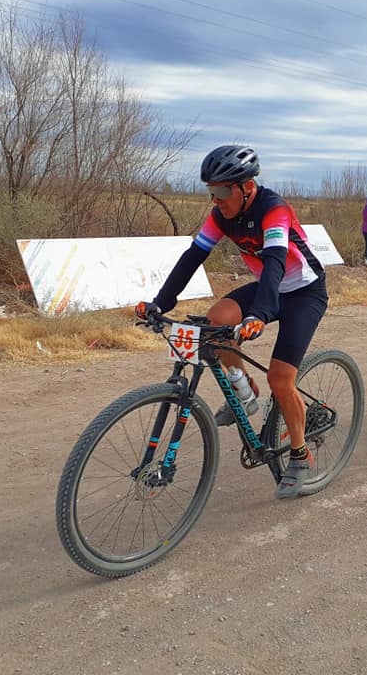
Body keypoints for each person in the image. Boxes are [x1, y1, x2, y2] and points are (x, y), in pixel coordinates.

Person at [136, 145, 327, 499]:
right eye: (211, 190)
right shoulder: (222, 215)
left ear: (247, 187)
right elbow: (194, 256)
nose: (216, 198)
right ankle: (244, 389)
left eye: (223, 190)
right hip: (270, 288)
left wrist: (259, 314)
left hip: (303, 292)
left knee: (281, 379)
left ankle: (300, 455)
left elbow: (274, 262)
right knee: (215, 324)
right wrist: (160, 302)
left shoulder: (274, 209)